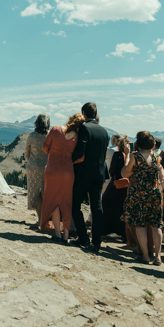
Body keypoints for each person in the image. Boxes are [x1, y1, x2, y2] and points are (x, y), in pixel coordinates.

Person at [70, 102, 109, 253]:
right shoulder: (104, 131)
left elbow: (81, 151)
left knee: (75, 205)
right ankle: (97, 241)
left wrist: (71, 158)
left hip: (84, 173)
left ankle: (83, 237)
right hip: (99, 174)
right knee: (96, 207)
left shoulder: (84, 128)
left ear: (84, 114)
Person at [121, 131, 164, 265]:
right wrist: (159, 189)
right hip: (155, 193)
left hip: (139, 193)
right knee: (156, 225)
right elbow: (162, 175)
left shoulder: (136, 157)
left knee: (139, 224)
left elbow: (125, 172)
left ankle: (145, 255)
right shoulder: (157, 156)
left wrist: (127, 155)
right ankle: (158, 256)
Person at [42, 114, 84, 242]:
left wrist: (54, 154)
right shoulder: (77, 137)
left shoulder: (55, 129)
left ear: (69, 119)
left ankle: (57, 234)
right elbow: (81, 158)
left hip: (52, 170)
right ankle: (66, 235)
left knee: (54, 200)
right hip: (68, 172)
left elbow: (44, 147)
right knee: (66, 202)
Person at [101, 135, 129, 239]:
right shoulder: (130, 156)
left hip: (115, 184)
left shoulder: (117, 154)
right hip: (126, 186)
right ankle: (122, 231)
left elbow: (112, 170)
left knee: (107, 203)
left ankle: (105, 229)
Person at [24, 114, 50, 227]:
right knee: (46, 192)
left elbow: (26, 153)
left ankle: (40, 219)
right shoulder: (49, 136)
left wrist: (30, 161)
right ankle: (46, 219)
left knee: (35, 192)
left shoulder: (31, 135)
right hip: (47, 168)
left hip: (33, 167)